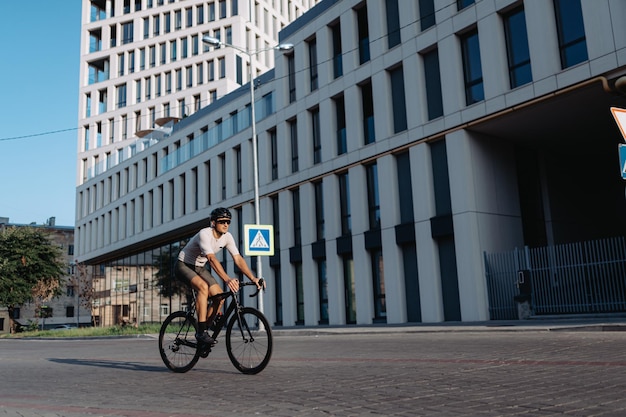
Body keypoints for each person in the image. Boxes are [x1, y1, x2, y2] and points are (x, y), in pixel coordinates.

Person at [175, 207, 264, 345]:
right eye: (222, 221)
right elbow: (211, 259)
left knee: (220, 298)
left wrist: (253, 278)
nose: (226, 224)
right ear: (213, 223)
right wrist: (227, 279)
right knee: (203, 287)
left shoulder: (227, 237)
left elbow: (238, 258)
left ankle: (204, 330)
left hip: (199, 267)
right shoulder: (204, 234)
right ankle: (201, 333)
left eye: (228, 221)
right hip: (184, 265)